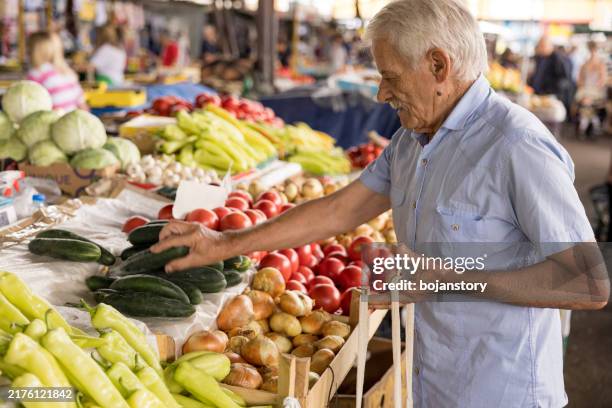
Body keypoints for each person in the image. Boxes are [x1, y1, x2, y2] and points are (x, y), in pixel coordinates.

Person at [152, 1, 608, 407]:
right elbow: (338, 211)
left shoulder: (515, 144)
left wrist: (446, 280)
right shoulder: (414, 140)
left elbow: (587, 282)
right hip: (433, 380)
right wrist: (225, 241)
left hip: (502, 391)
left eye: (389, 77)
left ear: (438, 65)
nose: (380, 95)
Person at [26, 31, 86, 112]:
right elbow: (82, 103)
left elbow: (29, 103)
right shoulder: (66, 71)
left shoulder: (36, 74)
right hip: (72, 117)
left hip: (53, 119)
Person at [575, 40, 608, 135]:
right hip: (585, 91)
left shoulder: (601, 65)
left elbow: (602, 82)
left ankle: (585, 124)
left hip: (595, 92)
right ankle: (591, 123)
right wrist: (584, 90)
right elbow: (580, 81)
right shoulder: (584, 64)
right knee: (586, 102)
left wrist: (590, 91)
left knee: (587, 104)